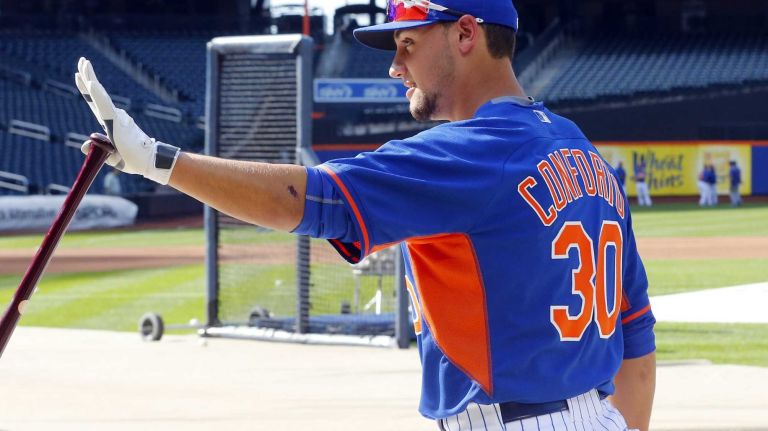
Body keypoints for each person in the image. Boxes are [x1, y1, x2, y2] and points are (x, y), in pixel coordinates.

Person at [73, 1, 656, 429]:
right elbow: (637, 343)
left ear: (466, 34)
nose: (395, 67)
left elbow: (309, 200)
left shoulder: (468, 153)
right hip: (598, 416)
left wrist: (158, 160)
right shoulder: (581, 149)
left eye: (408, 44)